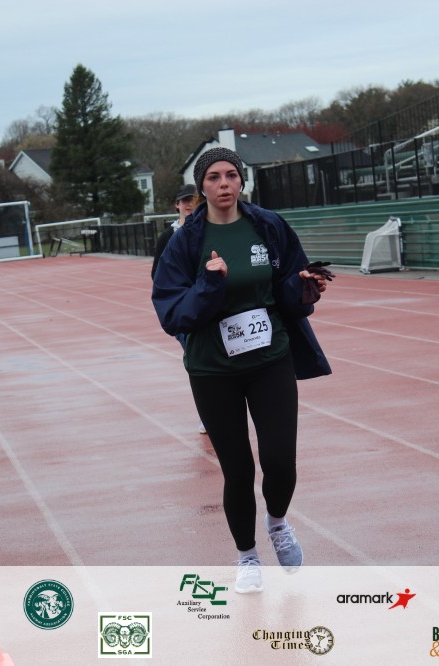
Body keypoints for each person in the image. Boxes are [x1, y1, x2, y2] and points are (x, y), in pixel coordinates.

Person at [152, 147, 331, 594]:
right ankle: (247, 556)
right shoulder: (184, 242)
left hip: (270, 359)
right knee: (237, 469)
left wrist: (304, 287)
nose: (224, 184)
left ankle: (278, 524)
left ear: (241, 180)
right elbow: (172, 314)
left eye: (231, 175)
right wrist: (210, 283)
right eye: (214, 177)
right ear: (202, 186)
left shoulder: (267, 225)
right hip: (213, 369)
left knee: (280, 460)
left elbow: (288, 284)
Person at [152, 183, 207, 434]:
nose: (189, 205)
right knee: (196, 362)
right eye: (185, 201)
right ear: (177, 205)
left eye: (193, 200)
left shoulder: (208, 230)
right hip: (185, 312)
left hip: (209, 305)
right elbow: (157, 274)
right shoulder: (168, 237)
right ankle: (207, 415)